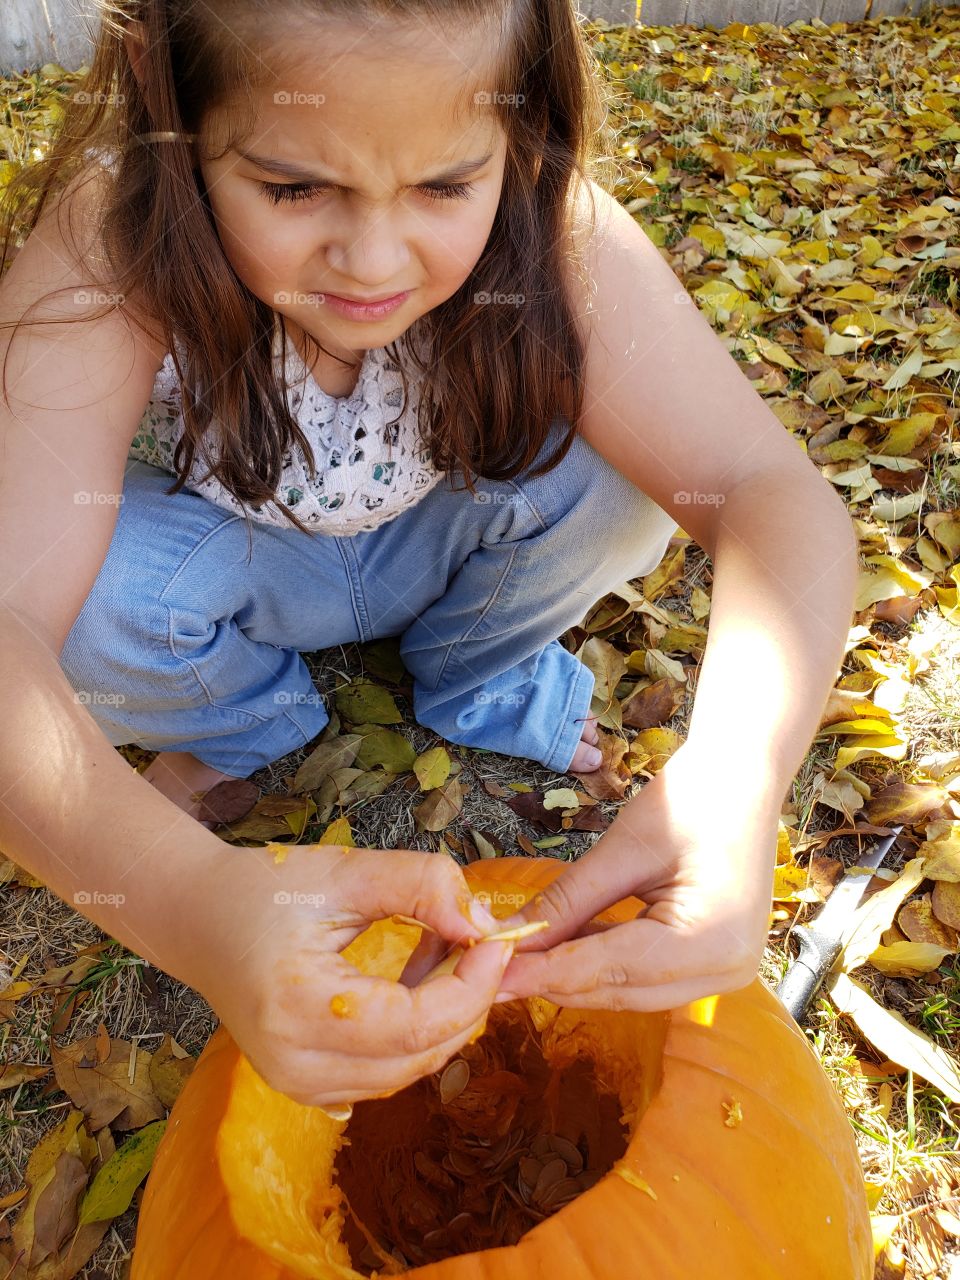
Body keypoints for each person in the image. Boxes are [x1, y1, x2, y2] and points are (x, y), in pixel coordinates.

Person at [0, 0, 858, 1109]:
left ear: (522, 126)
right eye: (294, 187)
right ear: (172, 102)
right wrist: (196, 905)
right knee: (94, 595)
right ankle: (239, 724)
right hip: (231, 566)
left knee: (624, 484)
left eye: (447, 186)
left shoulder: (555, 231)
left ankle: (478, 665)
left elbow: (766, 489)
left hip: (445, 534)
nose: (371, 259)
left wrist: (739, 777)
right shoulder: (111, 243)